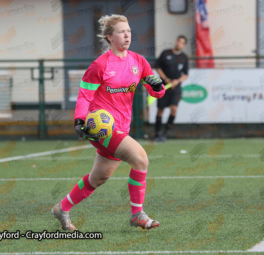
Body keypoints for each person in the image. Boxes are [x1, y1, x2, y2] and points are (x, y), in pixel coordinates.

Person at [51, 14, 166, 230]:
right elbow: (85, 96)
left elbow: (156, 92)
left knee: (98, 178)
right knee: (141, 159)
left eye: (129, 31)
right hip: (103, 129)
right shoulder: (99, 65)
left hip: (122, 128)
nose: (127, 35)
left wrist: (158, 86)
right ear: (109, 37)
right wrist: (79, 120)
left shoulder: (138, 61)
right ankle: (136, 214)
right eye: (122, 32)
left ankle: (62, 208)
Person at [154, 35, 189, 142]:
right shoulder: (166, 53)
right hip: (164, 86)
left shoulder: (184, 57)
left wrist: (177, 81)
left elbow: (186, 74)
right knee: (160, 110)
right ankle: (157, 134)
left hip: (176, 88)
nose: (179, 44)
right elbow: (158, 67)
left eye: (182, 43)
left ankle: (165, 134)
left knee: (174, 109)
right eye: (178, 41)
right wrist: (166, 79)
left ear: (184, 45)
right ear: (176, 41)